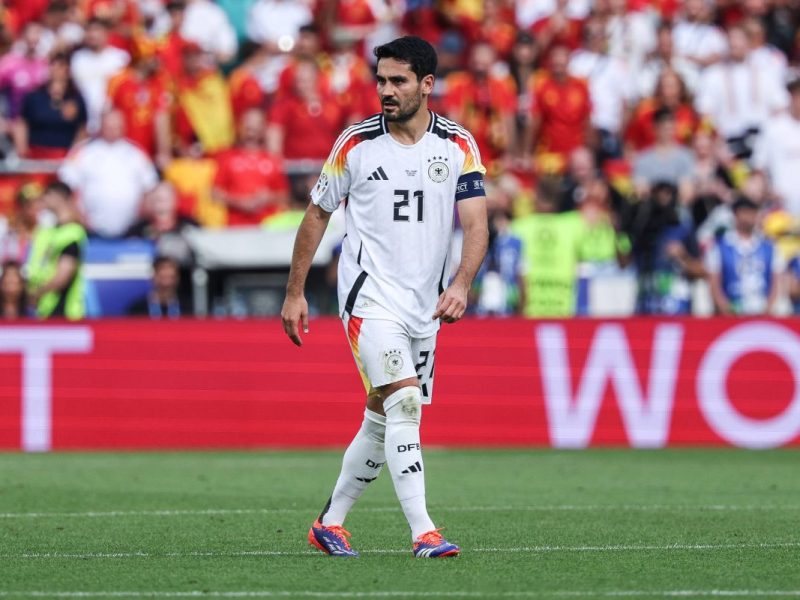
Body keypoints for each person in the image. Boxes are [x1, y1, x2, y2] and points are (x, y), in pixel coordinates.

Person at [280, 36, 487, 558]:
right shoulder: (355, 142)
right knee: (405, 401)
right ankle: (424, 532)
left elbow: (477, 221)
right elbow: (317, 215)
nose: (386, 91)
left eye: (398, 81)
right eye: (381, 81)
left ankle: (330, 522)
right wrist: (295, 291)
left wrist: (461, 283)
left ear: (426, 85)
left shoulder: (458, 144)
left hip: (424, 304)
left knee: (382, 415)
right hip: (368, 299)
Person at [58, 109, 159, 238]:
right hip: (89, 228)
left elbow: (150, 187)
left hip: (131, 230)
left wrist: (141, 216)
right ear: (101, 125)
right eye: (108, 125)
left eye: (116, 125)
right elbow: (66, 187)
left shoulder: (136, 153)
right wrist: (79, 216)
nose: (112, 129)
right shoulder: (83, 151)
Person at [706, 195, 781, 316]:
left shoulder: (769, 247)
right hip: (731, 312)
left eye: (754, 212)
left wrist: (767, 310)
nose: (752, 216)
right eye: (747, 212)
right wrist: (727, 310)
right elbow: (714, 284)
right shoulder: (720, 246)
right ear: (736, 214)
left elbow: (776, 283)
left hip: (762, 313)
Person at [25, 181, 87, 320]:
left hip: (63, 309)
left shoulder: (72, 233)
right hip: (45, 307)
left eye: (48, 194)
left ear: (59, 197)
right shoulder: (50, 231)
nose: (44, 199)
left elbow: (63, 275)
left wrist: (36, 294)